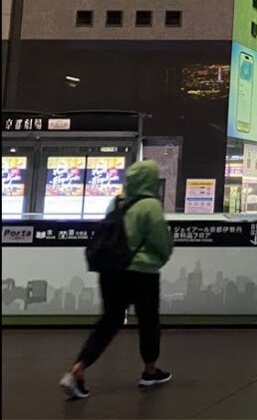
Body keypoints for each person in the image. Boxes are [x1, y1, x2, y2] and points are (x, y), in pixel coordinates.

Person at [60, 160, 174, 399]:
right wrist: (160, 258)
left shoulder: (117, 202)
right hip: (142, 273)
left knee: (109, 321)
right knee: (148, 321)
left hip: (111, 271)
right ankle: (149, 371)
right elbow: (160, 241)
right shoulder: (150, 205)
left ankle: (78, 369)